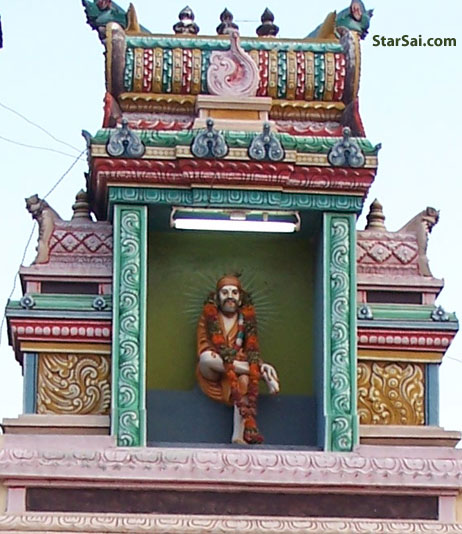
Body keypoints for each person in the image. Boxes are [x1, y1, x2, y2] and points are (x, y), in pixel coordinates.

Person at [197, 274, 279, 444]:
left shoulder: (246, 320)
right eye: (225, 292)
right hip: (214, 369)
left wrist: (256, 362)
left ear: (240, 298)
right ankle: (258, 372)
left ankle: (238, 436)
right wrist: (255, 367)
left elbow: (251, 350)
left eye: (234, 293)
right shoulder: (208, 317)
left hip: (236, 367)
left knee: (244, 380)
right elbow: (203, 346)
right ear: (217, 297)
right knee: (205, 358)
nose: (230, 297)